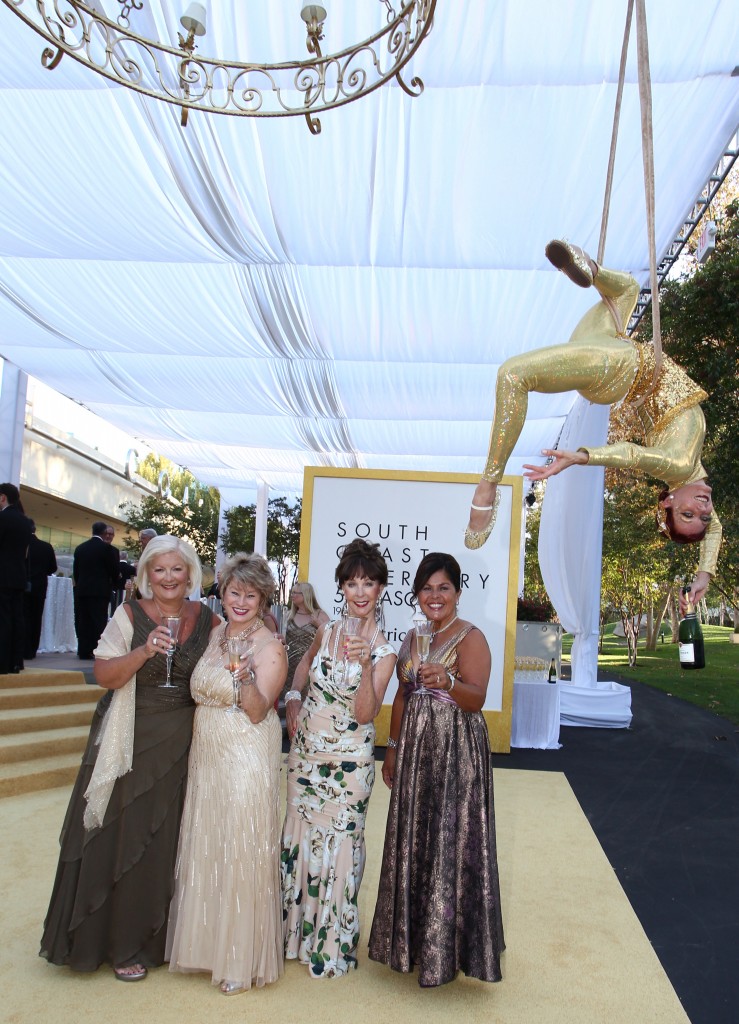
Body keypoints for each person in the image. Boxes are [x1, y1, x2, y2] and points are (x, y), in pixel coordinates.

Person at [465, 238, 721, 607]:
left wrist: (583, 456)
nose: (702, 508)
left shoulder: (677, 464)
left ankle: (487, 485)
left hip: (617, 368)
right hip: (612, 343)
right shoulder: (693, 470)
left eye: (687, 513)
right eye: (702, 513)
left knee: (512, 375)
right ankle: (590, 268)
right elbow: (713, 529)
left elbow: (632, 455)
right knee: (628, 289)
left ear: (667, 499)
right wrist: (702, 577)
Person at [40, 535, 220, 981]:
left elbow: (237, 655)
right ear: (145, 574)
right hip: (130, 738)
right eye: (158, 570)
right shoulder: (128, 614)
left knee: (167, 841)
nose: (168, 578)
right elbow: (104, 674)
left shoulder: (207, 618)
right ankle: (119, 943)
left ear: (190, 573)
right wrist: (143, 651)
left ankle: (162, 938)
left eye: (177, 569)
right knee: (123, 838)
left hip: (184, 740)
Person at [368, 552, 504, 987]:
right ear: (417, 594)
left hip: (456, 753)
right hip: (415, 749)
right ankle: (410, 942)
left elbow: (477, 699)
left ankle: (452, 950)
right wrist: (392, 749)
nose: (434, 595)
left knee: (452, 841)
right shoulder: (412, 638)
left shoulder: (471, 638)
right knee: (415, 838)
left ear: (458, 592)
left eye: (443, 587)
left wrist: (448, 682)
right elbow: (403, 697)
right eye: (427, 588)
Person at [167, 553, 287, 995]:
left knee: (242, 846)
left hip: (246, 752)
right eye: (234, 592)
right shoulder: (217, 633)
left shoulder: (269, 646)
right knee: (210, 840)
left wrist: (241, 674)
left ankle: (240, 959)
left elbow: (258, 710)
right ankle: (204, 948)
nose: (240, 601)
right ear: (223, 591)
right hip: (209, 752)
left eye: (250, 595)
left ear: (262, 599)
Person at [282, 539, 396, 978]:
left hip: (348, 765)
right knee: (299, 838)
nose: (360, 591)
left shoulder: (386, 650)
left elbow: (366, 713)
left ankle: (331, 943)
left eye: (368, 582)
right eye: (352, 583)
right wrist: (293, 696)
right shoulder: (326, 630)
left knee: (341, 848)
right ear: (342, 588)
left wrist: (366, 664)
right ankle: (296, 934)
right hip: (306, 754)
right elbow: (303, 666)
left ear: (382, 588)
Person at [72, 521, 120, 659]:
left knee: (82, 620)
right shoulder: (106, 549)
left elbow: (76, 571)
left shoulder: (81, 548)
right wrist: (114, 582)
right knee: (98, 620)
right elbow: (113, 570)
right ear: (104, 533)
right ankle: (96, 648)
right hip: (100, 591)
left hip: (82, 590)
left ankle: (83, 649)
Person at [0, 482, 32, 673]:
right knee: (16, 618)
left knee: (3, 618)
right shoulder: (24, 521)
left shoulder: (3, 518)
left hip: (2, 576)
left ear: (3, 497)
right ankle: (15, 661)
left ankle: (3, 662)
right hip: (18, 576)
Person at [283, 581, 329, 694]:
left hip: (310, 665)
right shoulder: (289, 615)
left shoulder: (319, 614)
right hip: (289, 665)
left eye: (296, 593)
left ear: (306, 595)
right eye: (292, 592)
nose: (292, 595)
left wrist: (318, 624)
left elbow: (330, 637)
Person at [23, 520, 58, 660]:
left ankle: (21, 648)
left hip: (21, 586)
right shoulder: (46, 547)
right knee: (36, 618)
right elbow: (53, 568)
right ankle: (32, 649)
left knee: (22, 617)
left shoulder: (20, 545)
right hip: (39, 587)